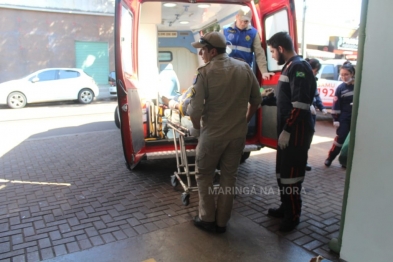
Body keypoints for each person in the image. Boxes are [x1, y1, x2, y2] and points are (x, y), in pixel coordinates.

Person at [187, 31, 261, 233]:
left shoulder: (205, 72)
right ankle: (222, 222)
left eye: (203, 50)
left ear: (212, 51)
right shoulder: (244, 68)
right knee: (229, 177)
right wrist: (243, 121)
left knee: (204, 175)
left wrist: (196, 128)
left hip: (212, 136)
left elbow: (194, 110)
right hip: (237, 136)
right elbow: (256, 100)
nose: (201, 54)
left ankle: (207, 218)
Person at [265, 32, 316, 232]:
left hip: (296, 133)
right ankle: (285, 208)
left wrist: (287, 130)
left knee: (291, 176)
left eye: (272, 51)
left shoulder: (298, 67)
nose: (272, 56)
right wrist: (263, 100)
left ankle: (293, 216)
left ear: (280, 49)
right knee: (282, 174)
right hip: (288, 133)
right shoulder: (289, 67)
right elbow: (283, 98)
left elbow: (300, 104)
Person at [223, 6, 274, 80]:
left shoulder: (253, 33)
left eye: (246, 21)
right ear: (237, 17)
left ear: (250, 20)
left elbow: (259, 53)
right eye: (241, 20)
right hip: (226, 70)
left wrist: (264, 72)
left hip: (243, 71)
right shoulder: (225, 30)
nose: (243, 23)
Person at [324, 61, 355, 167]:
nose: (344, 77)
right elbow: (336, 105)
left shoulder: (358, 86)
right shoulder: (340, 88)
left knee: (353, 140)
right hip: (344, 118)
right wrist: (335, 119)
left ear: (352, 74)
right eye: (342, 75)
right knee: (341, 138)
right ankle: (330, 158)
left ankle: (345, 161)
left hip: (356, 118)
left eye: (346, 74)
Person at [304, 58, 328, 171]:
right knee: (302, 138)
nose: (316, 73)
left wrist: (322, 107)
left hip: (311, 114)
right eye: (316, 70)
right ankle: (300, 162)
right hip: (303, 112)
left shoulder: (313, 80)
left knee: (309, 136)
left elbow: (316, 96)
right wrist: (308, 105)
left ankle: (304, 160)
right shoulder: (301, 78)